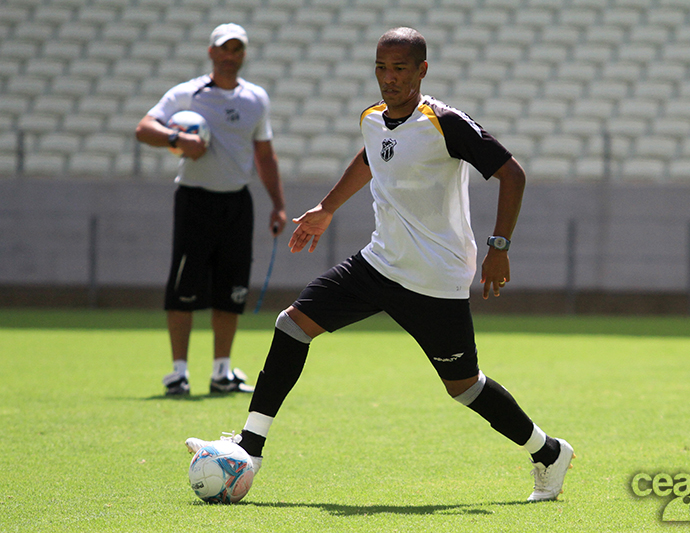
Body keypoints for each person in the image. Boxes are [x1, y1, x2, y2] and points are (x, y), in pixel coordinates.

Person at [187, 27, 573, 502]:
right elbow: (371, 157)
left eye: (399, 69)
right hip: (379, 263)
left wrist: (499, 248)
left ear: (422, 71)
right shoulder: (373, 118)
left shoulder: (445, 122)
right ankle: (251, 447)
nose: (388, 79)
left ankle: (550, 452)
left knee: (464, 387)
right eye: (381, 68)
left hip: (435, 277)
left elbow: (512, 174)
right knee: (292, 326)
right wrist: (326, 209)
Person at [135, 23, 286, 396]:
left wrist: (278, 205)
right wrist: (177, 139)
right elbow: (143, 128)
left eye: (237, 49)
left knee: (232, 289)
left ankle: (222, 372)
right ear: (211, 52)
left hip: (237, 202)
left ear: (243, 54)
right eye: (224, 48)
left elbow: (264, 154)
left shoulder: (256, 99)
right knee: (183, 287)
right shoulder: (188, 94)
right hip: (195, 200)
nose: (230, 55)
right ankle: (178, 373)